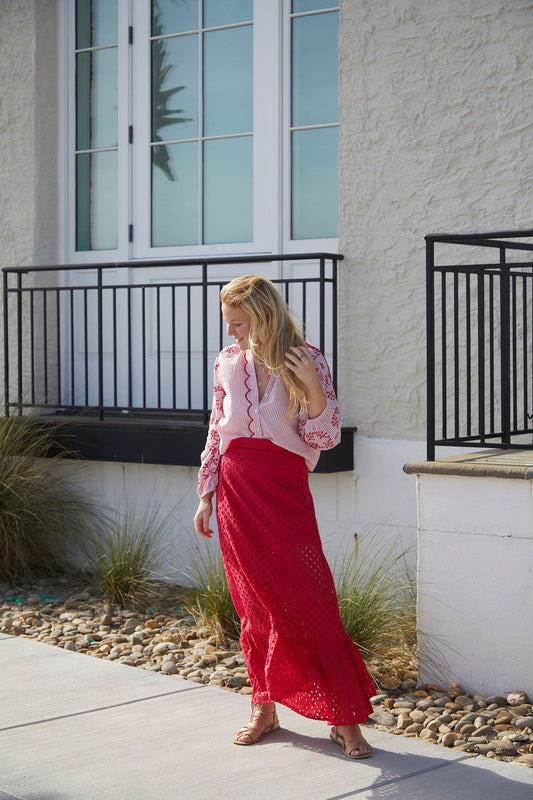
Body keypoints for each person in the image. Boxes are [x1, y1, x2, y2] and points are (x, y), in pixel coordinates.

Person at [194, 274, 375, 759]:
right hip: (234, 488)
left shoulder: (305, 358)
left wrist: (312, 384)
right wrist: (206, 492)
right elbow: (217, 428)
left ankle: (345, 718)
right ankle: (264, 707)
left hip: (284, 490)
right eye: (228, 323)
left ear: (265, 316)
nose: (231, 332)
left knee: (312, 601)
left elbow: (326, 436)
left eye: (238, 322)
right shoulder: (227, 362)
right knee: (253, 607)